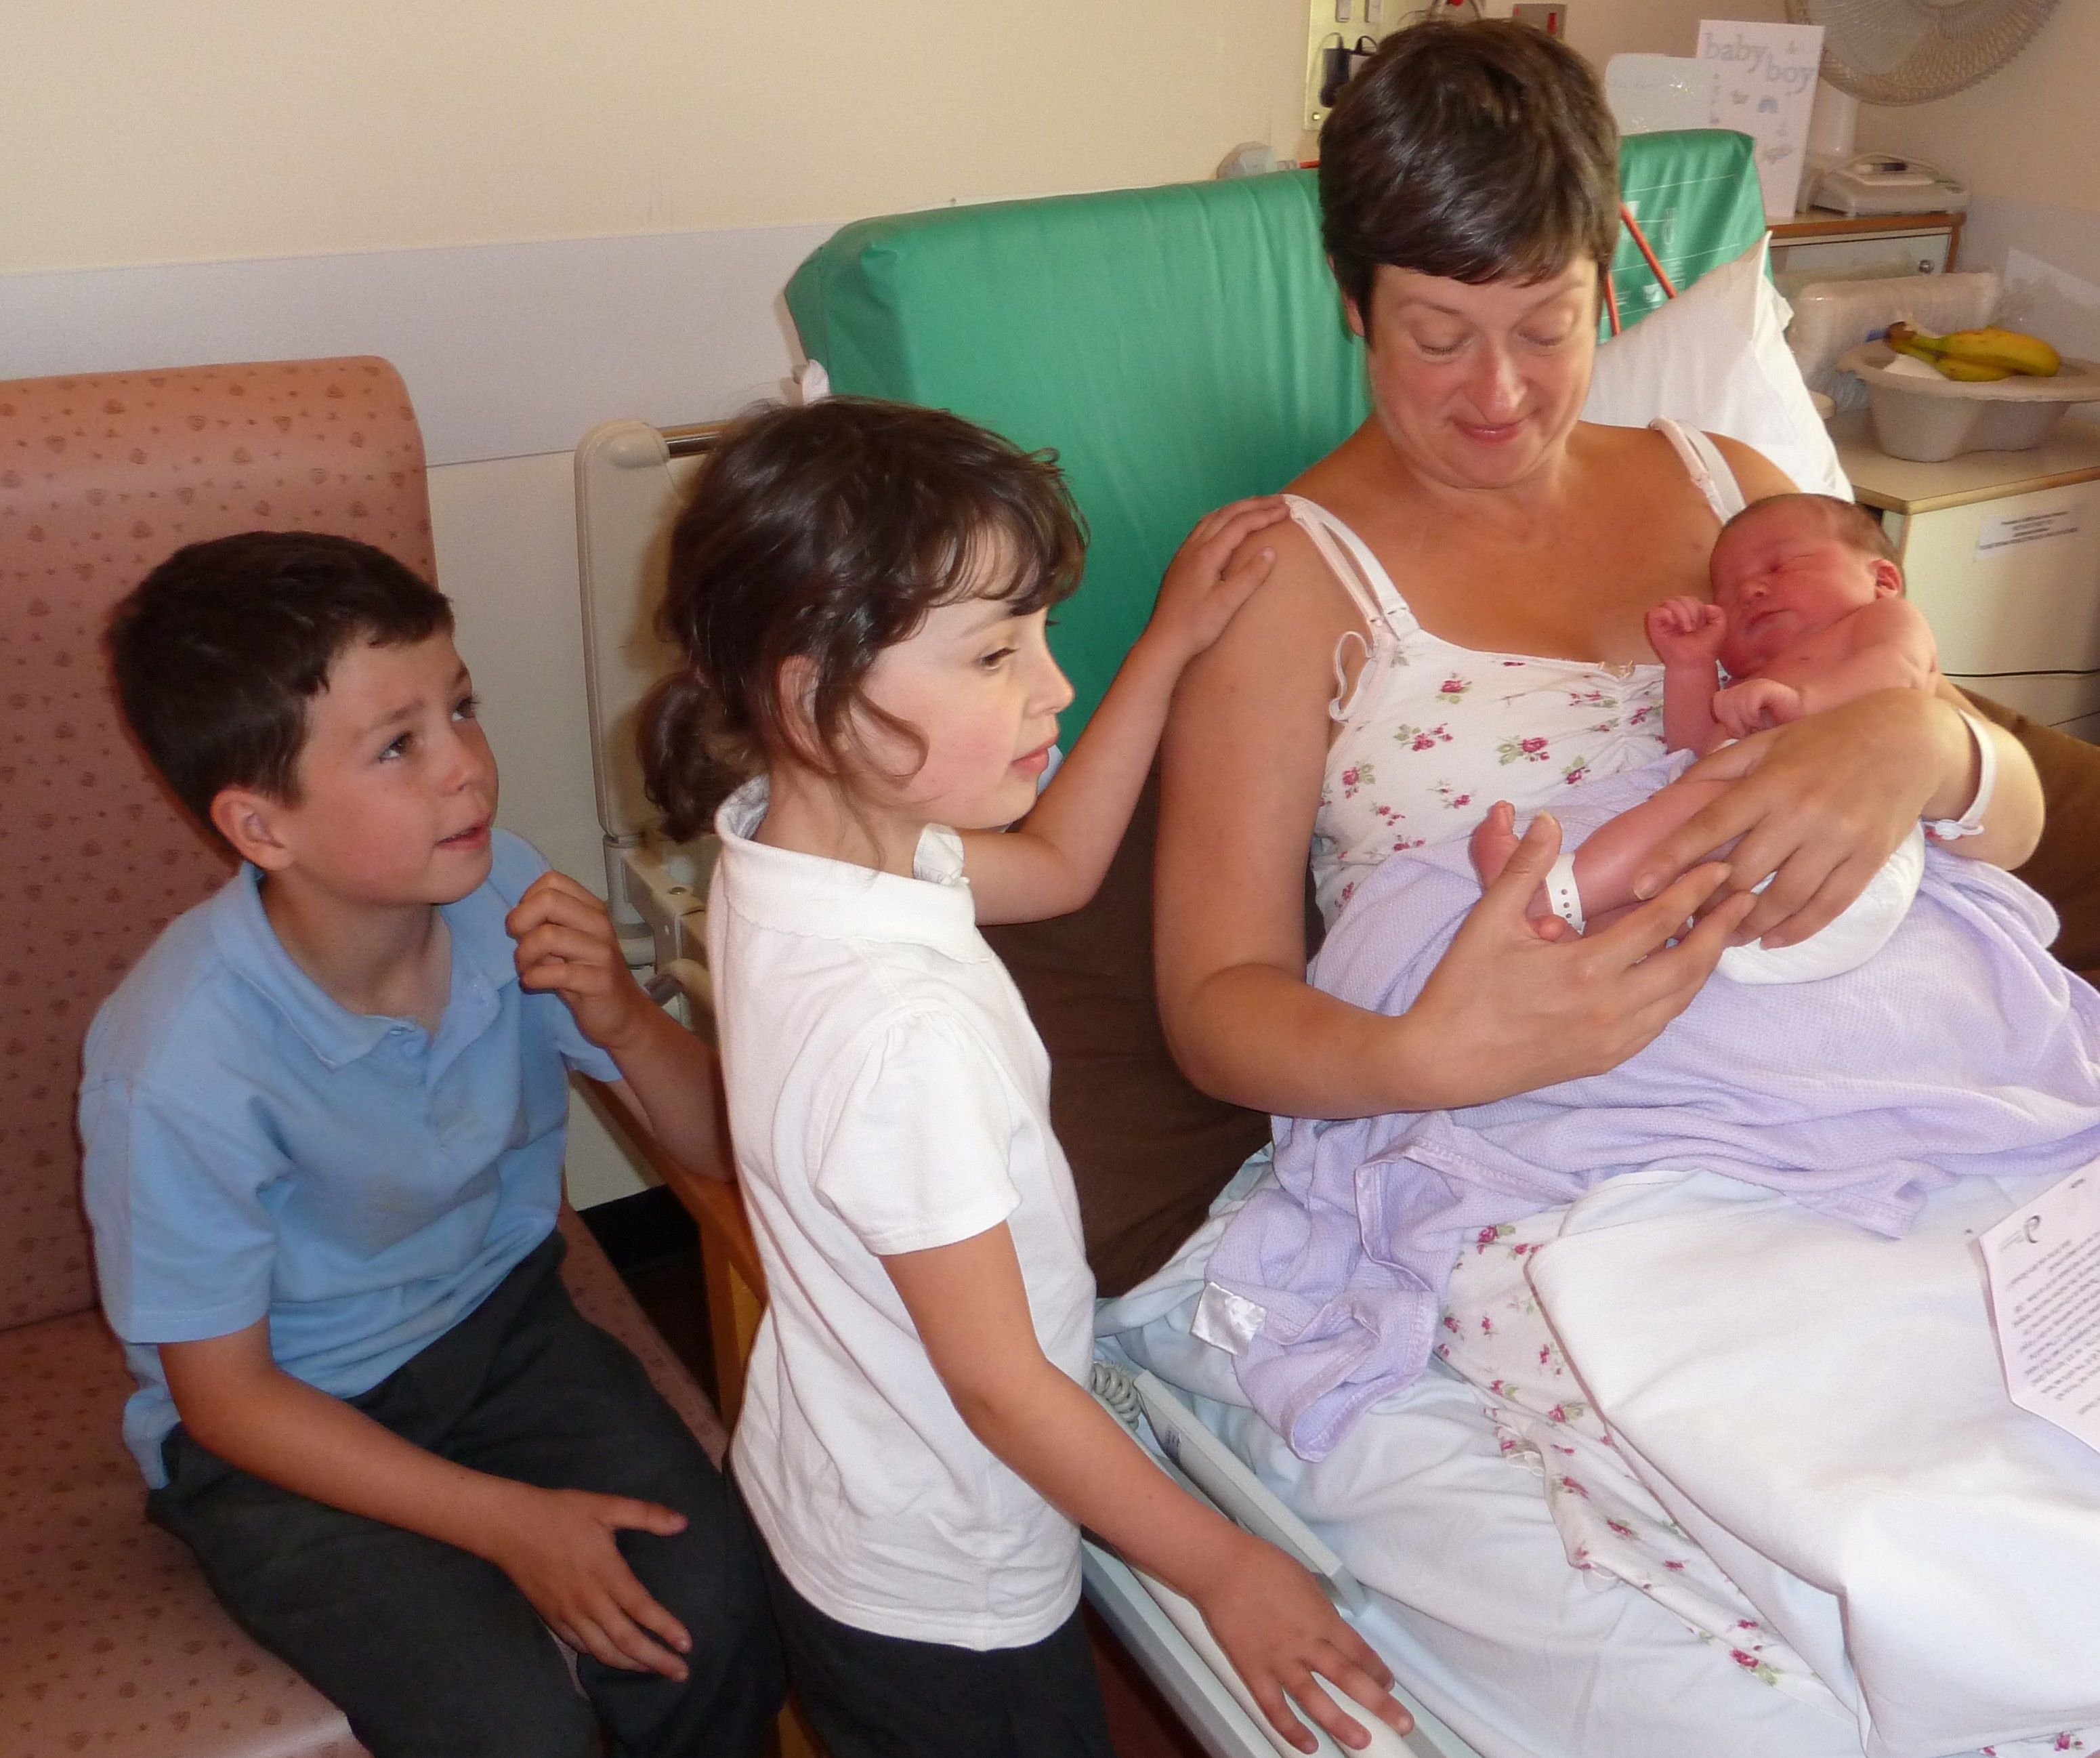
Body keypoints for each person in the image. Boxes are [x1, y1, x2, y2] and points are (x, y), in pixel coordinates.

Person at [1137, 18, 2046, 1756]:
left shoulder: (1733, 495)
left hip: (1875, 1079)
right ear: (1351, 305)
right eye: (1437, 336)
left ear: (1608, 277)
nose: (1496, 394)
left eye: (1545, 327)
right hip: (1561, 1144)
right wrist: (1425, 1056)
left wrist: (1922, 745)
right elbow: (1211, 1004)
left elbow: (1992, 814)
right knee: (1849, 1517)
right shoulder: (1292, 583)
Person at [639, 396, 1409, 1758]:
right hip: (950, 1584)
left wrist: (1164, 648)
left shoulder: (786, 844)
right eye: (997, 652)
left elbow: (1056, 868)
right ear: (810, 694)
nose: (1050, 685)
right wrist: (1225, 1568)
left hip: (843, 1488)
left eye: (1040, 634)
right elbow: (1001, 1389)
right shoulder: (898, 1033)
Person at [82, 532, 784, 1758]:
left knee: (713, 1608)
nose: (466, 766)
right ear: (262, 827)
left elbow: (720, 1147)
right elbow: (227, 1399)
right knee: (510, 1728)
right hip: (284, 1428)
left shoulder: (501, 888)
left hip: (502, 1334)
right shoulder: (177, 1064)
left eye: (461, 707)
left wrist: (622, 1012)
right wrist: (508, 1520)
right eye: (397, 745)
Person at [1473, 493, 1952, 962]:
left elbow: (1901, 676)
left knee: (1686, 812)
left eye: (1781, 566)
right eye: (1729, 593)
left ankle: (1547, 893)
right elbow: (1694, 753)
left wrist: (1802, 703)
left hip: (1845, 851)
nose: (1751, 591)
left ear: (1883, 579)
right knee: (1672, 839)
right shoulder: (1754, 682)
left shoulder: (1883, 620)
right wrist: (1691, 666)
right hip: (1738, 893)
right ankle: (1594, 950)